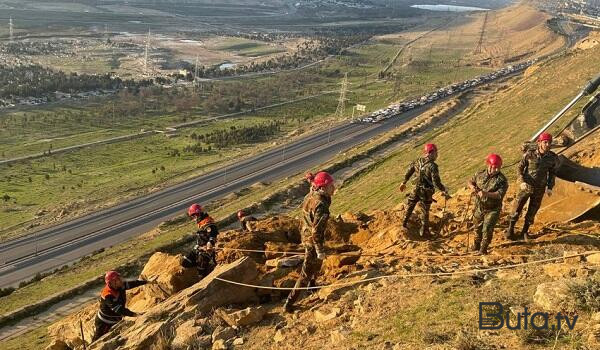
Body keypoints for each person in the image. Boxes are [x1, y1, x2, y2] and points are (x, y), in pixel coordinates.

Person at [284, 171, 335, 313]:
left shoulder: (312, 194)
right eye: (331, 185)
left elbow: (313, 186)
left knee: (316, 264)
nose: (334, 188)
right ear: (323, 188)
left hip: (305, 234)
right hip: (312, 240)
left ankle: (312, 286)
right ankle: (289, 303)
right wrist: (319, 250)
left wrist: (312, 179)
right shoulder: (321, 205)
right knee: (306, 272)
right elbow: (316, 231)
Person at [507, 132, 560, 240]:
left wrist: (550, 187)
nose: (548, 145)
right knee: (517, 208)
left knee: (532, 210)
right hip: (526, 186)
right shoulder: (529, 154)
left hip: (540, 188)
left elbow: (552, 173)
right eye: (545, 142)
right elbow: (519, 169)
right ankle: (510, 229)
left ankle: (524, 232)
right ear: (539, 142)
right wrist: (521, 181)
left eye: (549, 142)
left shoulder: (552, 158)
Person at [399, 143, 450, 237]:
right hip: (426, 192)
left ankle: (403, 224)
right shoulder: (433, 166)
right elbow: (436, 182)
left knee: (410, 206)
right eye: (435, 152)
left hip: (415, 189)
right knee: (425, 212)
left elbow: (409, 171)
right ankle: (424, 232)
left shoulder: (418, 161)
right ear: (431, 153)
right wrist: (444, 189)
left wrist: (404, 182)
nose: (437, 155)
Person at [467, 154, 509, 255]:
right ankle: (476, 245)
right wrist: (472, 187)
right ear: (488, 165)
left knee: (487, 228)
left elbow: (499, 195)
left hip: (493, 209)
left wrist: (486, 194)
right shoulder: (480, 174)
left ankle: (483, 248)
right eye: (492, 167)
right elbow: (470, 181)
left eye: (497, 168)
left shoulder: (502, 180)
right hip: (479, 207)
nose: (494, 170)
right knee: (477, 227)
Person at [92, 271, 148, 342]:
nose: (121, 280)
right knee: (98, 340)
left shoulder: (119, 286)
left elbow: (132, 284)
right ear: (112, 282)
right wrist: (135, 314)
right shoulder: (107, 295)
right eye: (118, 279)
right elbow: (118, 309)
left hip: (115, 320)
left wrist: (146, 282)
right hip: (104, 322)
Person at [181, 204, 219, 274]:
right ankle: (205, 266)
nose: (193, 218)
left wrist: (210, 242)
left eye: (193, 215)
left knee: (201, 270)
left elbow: (213, 234)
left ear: (197, 214)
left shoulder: (207, 222)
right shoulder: (201, 222)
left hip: (206, 251)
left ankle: (206, 270)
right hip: (198, 249)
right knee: (185, 261)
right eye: (192, 216)